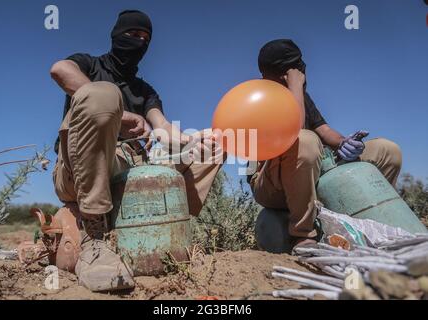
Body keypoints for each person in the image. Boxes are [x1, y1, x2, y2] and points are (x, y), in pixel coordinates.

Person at [50, 10, 221, 292]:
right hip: (80, 169)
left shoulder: (145, 91)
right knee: (103, 94)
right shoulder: (89, 66)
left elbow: (163, 127)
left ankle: (170, 229)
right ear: (117, 35)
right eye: (132, 35)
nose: (139, 42)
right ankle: (95, 238)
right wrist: (122, 115)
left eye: (145, 38)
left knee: (214, 147)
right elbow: (59, 69)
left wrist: (192, 141)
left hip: (131, 168)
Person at [249, 39, 402, 248]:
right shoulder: (258, 97)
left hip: (311, 170)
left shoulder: (301, 96)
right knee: (304, 141)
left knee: (387, 150)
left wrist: (344, 142)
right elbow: (295, 131)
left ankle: (378, 220)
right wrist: (294, 86)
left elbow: (324, 130)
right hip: (270, 183)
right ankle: (303, 234)